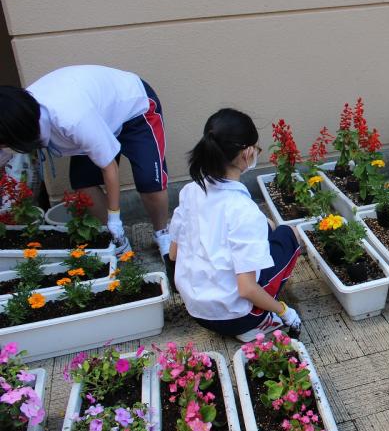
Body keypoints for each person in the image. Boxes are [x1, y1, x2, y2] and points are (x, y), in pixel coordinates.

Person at [0, 65, 170, 259]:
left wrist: (114, 218)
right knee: (83, 183)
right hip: (97, 112)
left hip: (134, 107)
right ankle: (118, 240)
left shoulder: (72, 120)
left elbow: (109, 168)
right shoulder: (14, 113)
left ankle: (162, 233)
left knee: (150, 181)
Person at [168, 108, 302, 342]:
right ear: (247, 153)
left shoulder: (190, 191)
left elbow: (173, 254)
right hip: (235, 316)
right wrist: (284, 311)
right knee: (289, 234)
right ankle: (260, 320)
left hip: (195, 308)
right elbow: (246, 289)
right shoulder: (243, 209)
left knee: (268, 225)